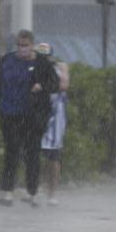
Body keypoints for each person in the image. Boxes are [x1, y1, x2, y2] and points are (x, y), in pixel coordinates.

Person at [0, 29, 59, 207]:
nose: (22, 49)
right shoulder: (7, 60)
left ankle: (32, 192)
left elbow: (55, 84)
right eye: (19, 45)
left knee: (32, 154)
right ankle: (7, 192)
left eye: (26, 45)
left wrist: (41, 85)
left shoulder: (42, 63)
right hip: (9, 113)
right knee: (12, 151)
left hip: (33, 115)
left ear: (32, 46)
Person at [37, 42, 69, 207]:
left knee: (53, 156)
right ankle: (36, 189)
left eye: (46, 57)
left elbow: (63, 85)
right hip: (36, 116)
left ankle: (52, 193)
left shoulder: (60, 68)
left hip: (55, 118)